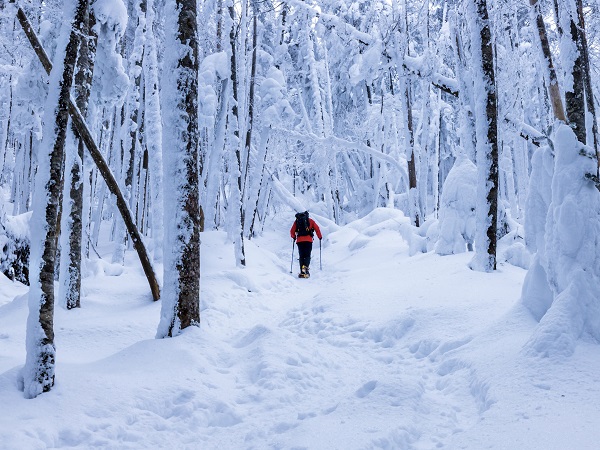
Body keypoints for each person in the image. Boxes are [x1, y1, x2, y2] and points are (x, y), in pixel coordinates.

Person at [290, 211, 322, 278]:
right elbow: (317, 228)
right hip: (308, 240)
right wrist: (320, 236)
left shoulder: (297, 221)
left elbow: (292, 231)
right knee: (307, 255)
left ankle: (302, 272)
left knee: (301, 256)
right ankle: (305, 269)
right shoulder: (310, 221)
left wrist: (294, 237)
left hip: (299, 241)